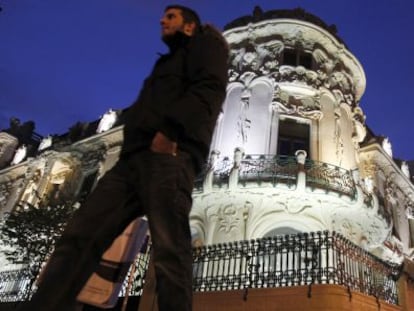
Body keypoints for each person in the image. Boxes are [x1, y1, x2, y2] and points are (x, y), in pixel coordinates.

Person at [19, 5, 228, 311]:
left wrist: (169, 133)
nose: (162, 20)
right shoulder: (167, 61)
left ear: (188, 26)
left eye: (170, 16)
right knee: (78, 238)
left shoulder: (206, 45)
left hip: (170, 155)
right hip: (131, 161)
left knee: (170, 252)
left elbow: (208, 90)